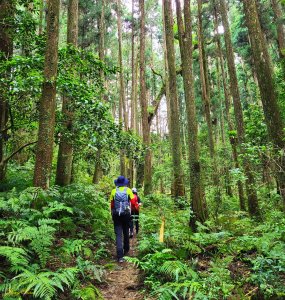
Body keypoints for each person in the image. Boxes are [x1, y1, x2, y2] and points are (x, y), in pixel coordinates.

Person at [110, 175, 135, 263]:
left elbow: (112, 204)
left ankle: (120, 256)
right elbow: (133, 202)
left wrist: (112, 213)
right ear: (124, 183)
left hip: (116, 215)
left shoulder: (113, 191)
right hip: (126, 214)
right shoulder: (128, 190)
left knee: (118, 234)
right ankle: (126, 249)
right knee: (126, 231)